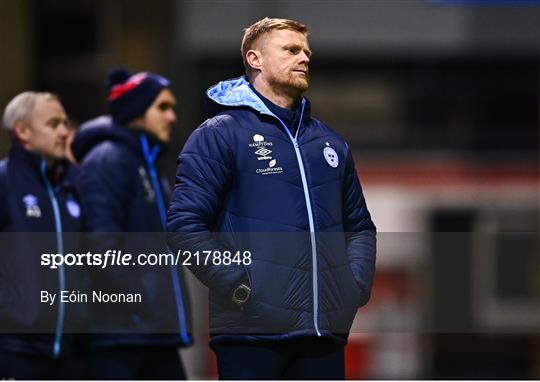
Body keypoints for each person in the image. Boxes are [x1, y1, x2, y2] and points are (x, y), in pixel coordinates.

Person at [167, 17, 376, 380]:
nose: (304, 58)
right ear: (255, 59)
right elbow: (184, 226)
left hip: (323, 335)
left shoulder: (329, 142)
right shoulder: (219, 135)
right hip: (251, 335)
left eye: (307, 52)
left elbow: (360, 228)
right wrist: (237, 285)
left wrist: (353, 286)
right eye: (291, 50)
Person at [71, 68, 192, 379]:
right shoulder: (108, 160)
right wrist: (140, 303)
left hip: (149, 332)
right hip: (121, 336)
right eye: (162, 107)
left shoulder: (147, 164)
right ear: (136, 112)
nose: (172, 117)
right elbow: (100, 247)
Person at [0, 92, 84, 378]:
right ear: (22, 131)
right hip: (15, 351)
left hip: (70, 355)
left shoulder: (71, 187)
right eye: (53, 124)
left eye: (65, 123)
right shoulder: (4, 183)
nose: (65, 132)